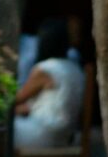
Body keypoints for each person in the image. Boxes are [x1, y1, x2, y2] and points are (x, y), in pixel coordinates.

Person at [13, 18, 86, 149]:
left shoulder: (45, 69)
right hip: (64, 135)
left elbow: (15, 100)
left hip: (44, 134)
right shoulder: (75, 68)